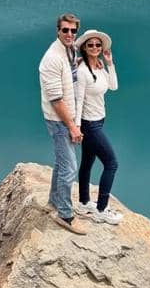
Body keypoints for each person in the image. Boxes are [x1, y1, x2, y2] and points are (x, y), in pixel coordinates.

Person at [39, 12, 88, 233]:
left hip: (66, 117)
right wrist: (73, 127)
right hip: (59, 120)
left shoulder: (69, 50)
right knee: (70, 168)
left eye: (73, 30)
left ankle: (53, 202)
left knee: (61, 162)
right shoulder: (52, 59)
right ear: (58, 30)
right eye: (65, 30)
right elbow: (56, 100)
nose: (70, 34)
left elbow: (71, 74)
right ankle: (65, 215)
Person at [73, 28, 123, 225]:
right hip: (89, 124)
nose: (95, 47)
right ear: (84, 47)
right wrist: (76, 128)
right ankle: (101, 209)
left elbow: (113, 86)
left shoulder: (100, 67)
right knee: (111, 163)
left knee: (87, 162)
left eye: (98, 44)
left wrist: (109, 63)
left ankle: (84, 202)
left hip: (99, 120)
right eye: (90, 44)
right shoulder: (83, 71)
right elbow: (78, 101)